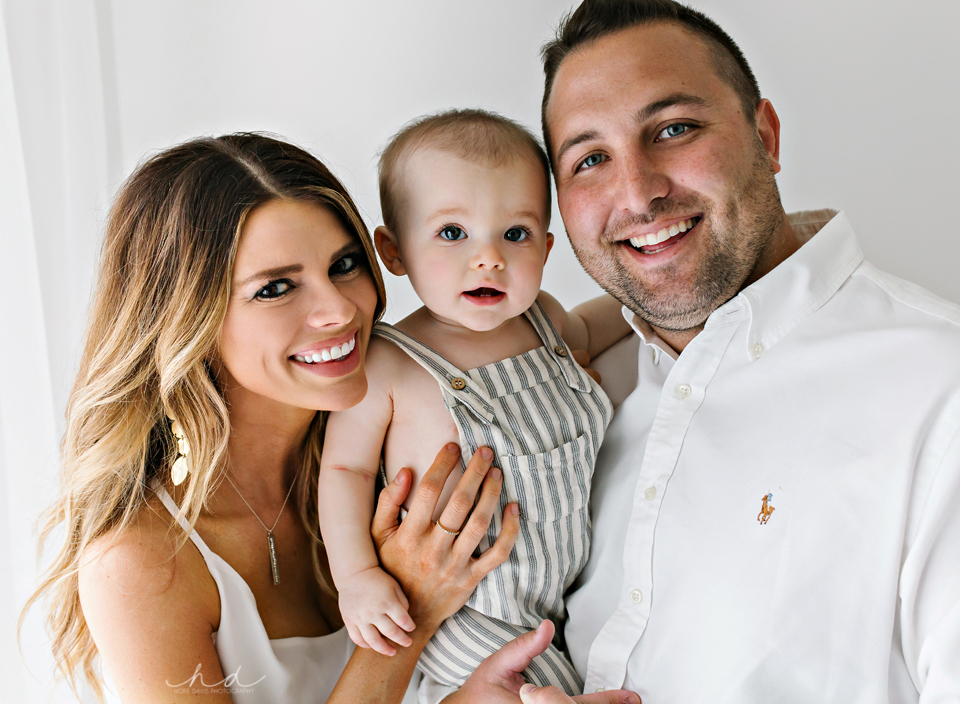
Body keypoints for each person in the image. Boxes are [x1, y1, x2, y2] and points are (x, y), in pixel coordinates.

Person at [21, 133, 639, 704]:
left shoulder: (391, 445)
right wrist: (416, 610)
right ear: (186, 321)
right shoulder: (139, 563)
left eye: (344, 266)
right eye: (275, 288)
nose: (339, 310)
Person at [509, 0, 960, 701]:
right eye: (590, 159)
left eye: (674, 129)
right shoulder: (576, 403)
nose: (638, 193)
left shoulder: (940, 387)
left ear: (766, 136)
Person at [318, 109, 630, 694]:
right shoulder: (391, 362)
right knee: (548, 691)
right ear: (394, 251)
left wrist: (646, 296)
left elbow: (594, 328)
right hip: (464, 613)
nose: (488, 257)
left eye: (515, 234)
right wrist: (356, 577)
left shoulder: (544, 321)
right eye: (452, 233)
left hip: (561, 596)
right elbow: (344, 471)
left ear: (546, 247)